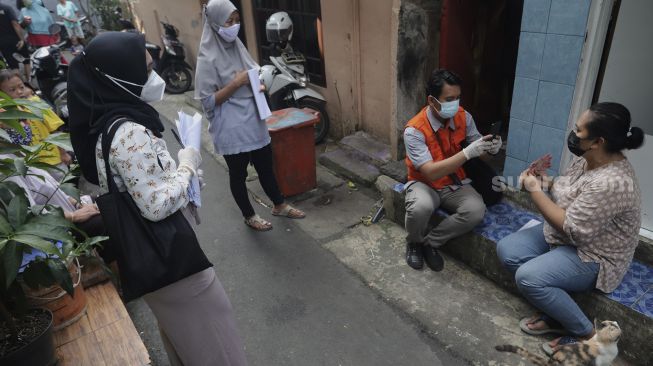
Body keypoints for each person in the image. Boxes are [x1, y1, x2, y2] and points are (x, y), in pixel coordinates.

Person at [67, 31, 248, 366]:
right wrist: (189, 162)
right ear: (120, 77)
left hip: (151, 264)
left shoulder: (106, 126)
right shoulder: (129, 132)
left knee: (187, 345)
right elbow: (156, 205)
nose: (155, 75)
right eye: (146, 69)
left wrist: (183, 176)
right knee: (217, 346)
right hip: (173, 264)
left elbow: (132, 190)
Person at [496, 102, 644, 355]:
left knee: (529, 278)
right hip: (567, 238)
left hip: (595, 253)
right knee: (508, 250)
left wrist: (533, 189)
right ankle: (556, 312)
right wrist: (546, 182)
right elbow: (569, 186)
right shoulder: (590, 158)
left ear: (597, 141)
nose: (573, 135)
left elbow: (571, 227)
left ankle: (593, 339)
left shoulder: (614, 182)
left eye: (578, 131)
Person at [195, 0, 305, 232]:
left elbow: (253, 72)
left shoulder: (237, 45)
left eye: (236, 20)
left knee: (266, 165)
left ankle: (279, 204)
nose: (234, 26)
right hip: (231, 127)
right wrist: (235, 84)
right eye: (228, 21)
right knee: (238, 173)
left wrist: (259, 84)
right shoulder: (206, 59)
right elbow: (207, 101)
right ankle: (249, 215)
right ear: (214, 23)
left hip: (253, 118)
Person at [403, 69, 501, 271]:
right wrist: (467, 153)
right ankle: (414, 242)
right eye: (449, 99)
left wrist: (490, 149)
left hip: (453, 181)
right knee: (420, 207)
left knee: (476, 211)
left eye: (457, 98)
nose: (455, 104)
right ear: (432, 100)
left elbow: (479, 150)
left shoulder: (464, 117)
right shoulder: (414, 130)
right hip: (424, 183)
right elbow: (430, 172)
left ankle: (430, 243)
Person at [0, 69, 72, 178]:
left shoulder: (36, 103)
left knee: (64, 183)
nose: (19, 92)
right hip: (32, 166)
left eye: (21, 87)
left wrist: (63, 153)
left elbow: (54, 130)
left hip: (54, 159)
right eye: (12, 90)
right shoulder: (5, 115)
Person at [0, 2, 30, 80]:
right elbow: (15, 24)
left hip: (2, 43)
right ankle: (29, 82)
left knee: (13, 66)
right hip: (15, 40)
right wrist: (22, 39)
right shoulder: (7, 7)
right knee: (26, 61)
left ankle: (20, 85)